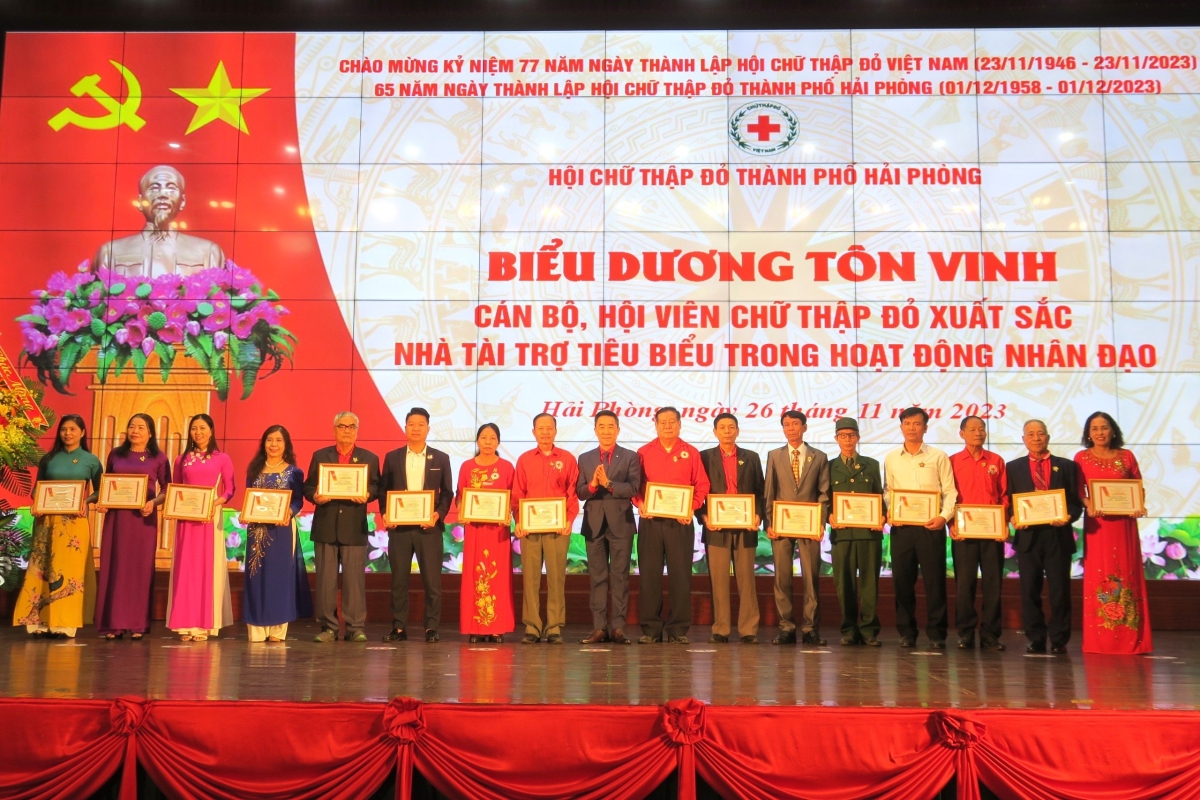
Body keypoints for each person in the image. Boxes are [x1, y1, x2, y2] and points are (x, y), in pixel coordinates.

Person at [13, 414, 102, 638]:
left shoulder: (91, 460)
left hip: (74, 524)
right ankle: (39, 620)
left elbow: (101, 490)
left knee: (70, 572)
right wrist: (36, 502)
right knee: (42, 569)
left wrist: (85, 501)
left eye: (72, 429)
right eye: (64, 429)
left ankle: (65, 622)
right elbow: (37, 488)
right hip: (47, 520)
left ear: (82, 432)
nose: (67, 433)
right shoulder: (49, 458)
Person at [1076, 412, 1152, 654]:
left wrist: (1139, 505)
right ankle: (1102, 638)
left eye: (1104, 427)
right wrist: (1088, 503)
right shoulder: (1081, 458)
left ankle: (1130, 637)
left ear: (1113, 430)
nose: (1100, 432)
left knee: (1126, 573)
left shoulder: (1127, 456)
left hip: (1124, 525)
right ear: (1088, 433)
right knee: (1102, 576)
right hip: (1098, 526)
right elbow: (1078, 490)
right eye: (1094, 428)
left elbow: (1137, 486)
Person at [883, 406, 957, 649]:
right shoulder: (891, 458)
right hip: (902, 529)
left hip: (931, 527)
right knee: (902, 582)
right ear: (901, 427)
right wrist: (891, 511)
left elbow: (950, 491)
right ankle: (906, 632)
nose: (911, 428)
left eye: (916, 423)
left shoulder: (938, 456)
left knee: (935, 583)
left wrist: (944, 517)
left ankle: (937, 634)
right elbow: (888, 491)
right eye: (907, 423)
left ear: (925, 427)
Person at [634, 407, 710, 645]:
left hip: (680, 522)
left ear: (679, 424)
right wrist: (639, 503)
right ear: (655, 425)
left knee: (681, 575)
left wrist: (692, 507)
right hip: (651, 522)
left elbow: (702, 485)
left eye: (672, 422)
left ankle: (678, 629)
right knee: (649, 575)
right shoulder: (643, 452)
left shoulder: (691, 452)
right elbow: (635, 484)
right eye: (663, 422)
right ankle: (651, 629)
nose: (667, 426)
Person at [1006, 419, 1082, 654]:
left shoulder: (1066, 466)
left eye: (1040, 433)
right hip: (1028, 537)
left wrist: (1068, 516)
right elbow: (1009, 501)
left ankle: (1059, 639)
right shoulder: (1013, 467)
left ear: (1047, 437)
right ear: (1024, 439)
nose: (1036, 438)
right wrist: (1012, 517)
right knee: (1029, 591)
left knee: (1059, 591)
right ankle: (1035, 638)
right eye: (1031, 434)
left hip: (1057, 536)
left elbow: (1076, 502)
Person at [303, 411, 380, 643]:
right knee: (325, 581)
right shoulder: (320, 456)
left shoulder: (369, 458)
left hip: (354, 527)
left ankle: (355, 627)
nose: (347, 431)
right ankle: (328, 627)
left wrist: (367, 494)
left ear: (357, 430)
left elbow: (377, 487)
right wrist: (315, 496)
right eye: (342, 426)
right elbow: (308, 486)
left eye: (351, 427)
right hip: (326, 525)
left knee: (354, 581)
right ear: (334, 429)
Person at [378, 408, 453, 643]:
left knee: (432, 581)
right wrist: (385, 513)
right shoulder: (393, 457)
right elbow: (383, 490)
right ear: (405, 428)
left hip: (428, 529)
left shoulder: (441, 458)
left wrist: (438, 514)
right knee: (399, 581)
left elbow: (447, 492)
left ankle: (431, 627)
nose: (416, 428)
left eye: (421, 424)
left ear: (428, 429)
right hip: (399, 529)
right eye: (411, 424)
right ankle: (399, 627)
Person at [94, 413, 171, 640]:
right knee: (115, 567)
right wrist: (103, 503)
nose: (135, 431)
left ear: (150, 433)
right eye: (131, 426)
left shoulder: (159, 457)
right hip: (117, 521)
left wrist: (153, 503)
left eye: (141, 427)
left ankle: (137, 624)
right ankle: (114, 624)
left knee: (139, 569)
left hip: (143, 521)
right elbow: (106, 484)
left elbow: (167, 489)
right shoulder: (116, 454)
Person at [165, 414, 235, 641]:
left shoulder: (222, 458)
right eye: (194, 428)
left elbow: (230, 489)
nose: (198, 432)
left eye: (203, 428)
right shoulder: (181, 459)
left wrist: (215, 503)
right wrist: (174, 507)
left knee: (206, 569)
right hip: (186, 520)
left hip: (210, 518)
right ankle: (184, 623)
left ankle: (204, 624)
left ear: (211, 431)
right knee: (185, 569)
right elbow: (174, 488)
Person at [512, 413, 580, 644]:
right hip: (530, 529)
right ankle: (532, 626)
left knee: (556, 578)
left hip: (557, 529)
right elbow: (517, 494)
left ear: (556, 431)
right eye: (540, 428)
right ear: (533, 432)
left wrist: (569, 520)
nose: (545, 432)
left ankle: (554, 627)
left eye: (549, 428)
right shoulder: (524, 460)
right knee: (530, 579)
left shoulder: (567, 459)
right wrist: (519, 521)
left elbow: (572, 494)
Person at [241, 425, 312, 643]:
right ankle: (257, 630)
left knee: (280, 577)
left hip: (282, 531)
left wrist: (288, 512)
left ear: (286, 444)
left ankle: (278, 630)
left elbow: (298, 501)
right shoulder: (254, 470)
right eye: (270, 440)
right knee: (256, 578)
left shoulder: (294, 472)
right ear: (264, 443)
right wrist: (245, 513)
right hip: (257, 531)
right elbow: (249, 498)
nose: (274, 444)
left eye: (279, 440)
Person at [765, 410, 830, 646]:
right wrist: (770, 523)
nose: (791, 428)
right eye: (786, 424)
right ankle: (786, 628)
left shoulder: (819, 457)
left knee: (811, 577)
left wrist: (820, 522)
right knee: (782, 578)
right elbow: (769, 491)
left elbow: (823, 493)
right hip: (781, 526)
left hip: (809, 526)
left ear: (804, 427)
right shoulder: (774, 455)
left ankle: (811, 628)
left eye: (795, 424)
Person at [576, 410, 642, 645]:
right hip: (594, 523)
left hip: (621, 523)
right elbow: (580, 492)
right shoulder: (585, 458)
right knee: (597, 577)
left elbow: (634, 488)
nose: (606, 431)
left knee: (620, 576)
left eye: (610, 426)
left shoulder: (630, 457)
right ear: (595, 430)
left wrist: (609, 484)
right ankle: (599, 628)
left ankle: (618, 628)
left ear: (618, 429)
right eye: (601, 426)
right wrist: (594, 485)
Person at [698, 412, 763, 644]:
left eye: (731, 427)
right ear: (715, 432)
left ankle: (749, 630)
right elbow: (697, 490)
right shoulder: (704, 457)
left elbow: (760, 491)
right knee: (718, 580)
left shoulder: (751, 457)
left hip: (745, 528)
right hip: (716, 528)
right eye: (722, 427)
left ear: (737, 430)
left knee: (747, 581)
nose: (727, 431)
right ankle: (721, 629)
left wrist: (758, 515)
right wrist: (703, 515)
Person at [93, 165, 226, 278]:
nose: (163, 194)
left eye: (171, 188)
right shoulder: (110, 252)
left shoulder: (208, 251)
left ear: (182, 202)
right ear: (140, 202)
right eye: (154, 188)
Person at [949, 415, 1008, 651]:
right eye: (972, 429)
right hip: (963, 533)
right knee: (965, 585)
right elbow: (947, 497)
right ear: (962, 434)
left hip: (992, 533)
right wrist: (951, 524)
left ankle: (991, 634)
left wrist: (1002, 522)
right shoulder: (952, 461)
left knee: (993, 585)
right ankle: (965, 633)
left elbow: (1004, 496)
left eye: (981, 429)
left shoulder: (996, 460)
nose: (978, 433)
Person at [827, 417, 885, 647]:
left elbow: (879, 495)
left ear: (858, 438)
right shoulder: (829, 466)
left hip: (869, 534)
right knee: (845, 585)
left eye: (851, 435)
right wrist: (828, 516)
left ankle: (869, 630)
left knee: (870, 584)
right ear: (836, 438)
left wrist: (882, 515)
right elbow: (825, 499)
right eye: (842, 435)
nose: (847, 439)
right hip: (842, 535)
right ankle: (849, 630)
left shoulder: (871, 464)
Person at [457, 423, 516, 643]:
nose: (488, 442)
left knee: (497, 577)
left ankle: (497, 627)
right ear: (478, 441)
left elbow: (513, 498)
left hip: (498, 532)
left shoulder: (507, 467)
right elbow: (460, 495)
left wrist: (508, 513)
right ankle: (476, 627)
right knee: (475, 576)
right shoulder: (467, 467)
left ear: (498, 442)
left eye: (492, 438)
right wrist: (462, 510)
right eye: (484, 438)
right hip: (475, 530)